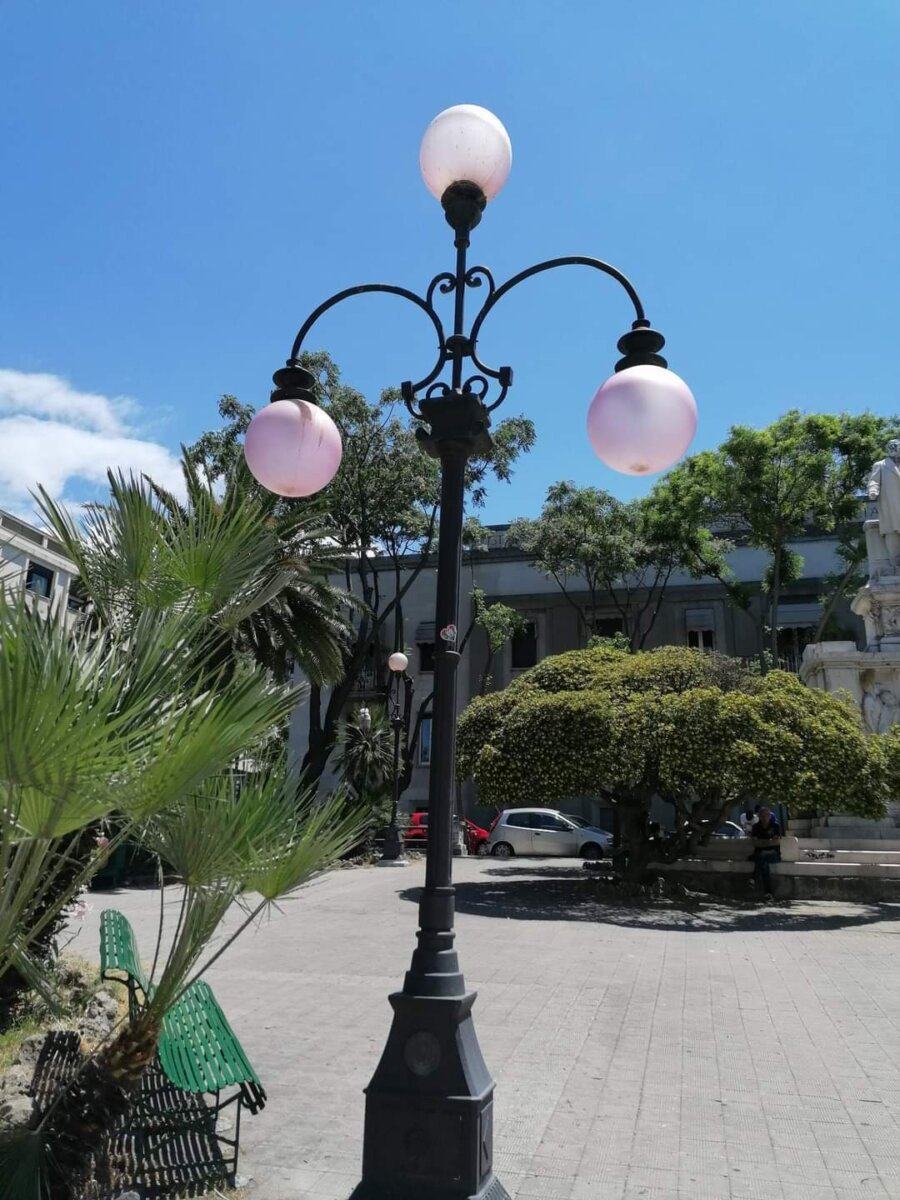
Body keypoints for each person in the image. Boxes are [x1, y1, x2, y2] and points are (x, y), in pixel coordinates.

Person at [750, 806, 781, 897]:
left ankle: (753, 878)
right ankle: (768, 893)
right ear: (759, 816)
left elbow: (777, 842)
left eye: (766, 815)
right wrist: (769, 842)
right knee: (764, 863)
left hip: (774, 854)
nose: (764, 817)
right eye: (762, 815)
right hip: (760, 854)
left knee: (762, 855)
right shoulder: (756, 827)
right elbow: (755, 843)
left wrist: (762, 843)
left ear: (770, 816)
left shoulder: (775, 826)